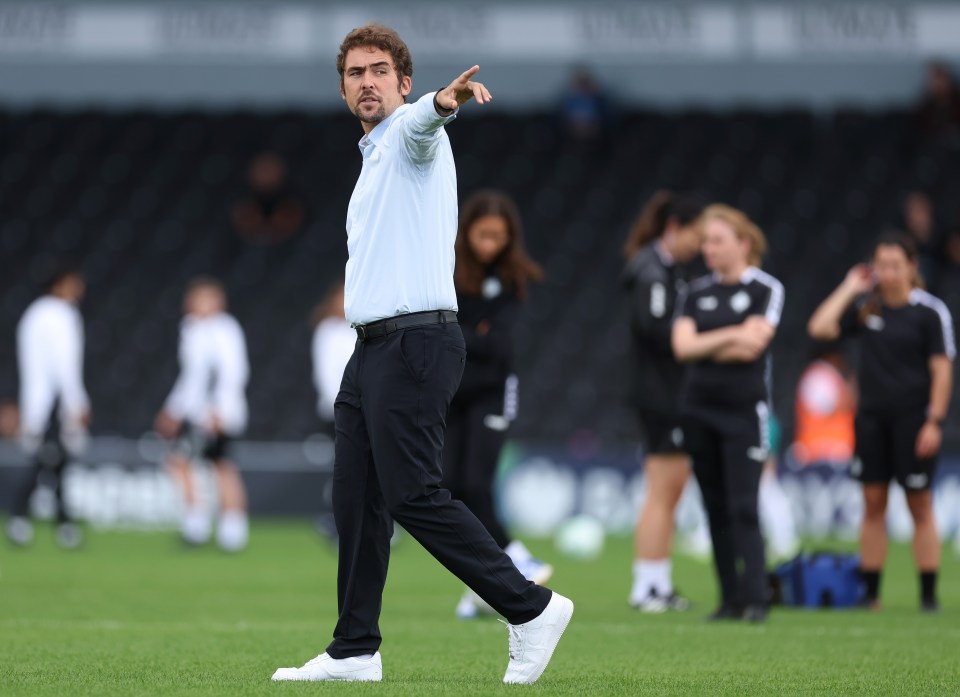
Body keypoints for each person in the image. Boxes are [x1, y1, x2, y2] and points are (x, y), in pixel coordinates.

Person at [271, 24, 571, 685]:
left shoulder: (410, 137)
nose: (368, 81)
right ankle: (355, 647)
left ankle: (531, 605)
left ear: (403, 83)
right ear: (344, 87)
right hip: (372, 346)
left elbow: (424, 123)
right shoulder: (372, 157)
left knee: (412, 493)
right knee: (357, 495)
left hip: (415, 340)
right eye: (355, 73)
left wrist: (443, 101)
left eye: (381, 70)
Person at [808, 233, 954, 612]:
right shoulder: (867, 309)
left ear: (911, 266)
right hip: (871, 421)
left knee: (919, 505)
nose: (887, 273)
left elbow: (941, 370)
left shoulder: (929, 312)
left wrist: (934, 421)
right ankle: (870, 594)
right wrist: (848, 287)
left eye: (894, 265)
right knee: (873, 504)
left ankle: (927, 595)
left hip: (913, 421)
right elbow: (820, 328)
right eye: (881, 266)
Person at [671, 204, 784, 623]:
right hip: (698, 410)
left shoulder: (765, 289)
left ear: (744, 243)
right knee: (714, 507)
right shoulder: (694, 292)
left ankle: (757, 598)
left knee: (743, 506)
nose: (708, 249)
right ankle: (729, 599)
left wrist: (709, 339)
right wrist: (736, 332)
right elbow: (683, 348)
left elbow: (755, 346)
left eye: (717, 240)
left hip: (743, 412)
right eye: (705, 241)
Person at [441, 189, 549, 621]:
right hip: (452, 392)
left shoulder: (512, 278)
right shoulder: (445, 269)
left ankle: (518, 560)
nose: (490, 244)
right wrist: (473, 332)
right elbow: (455, 331)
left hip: (493, 393)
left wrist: (461, 331)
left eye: (498, 236)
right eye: (483, 235)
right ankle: (488, 582)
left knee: (477, 483)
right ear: (465, 233)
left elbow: (498, 346)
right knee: (450, 486)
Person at [620, 190, 705, 612]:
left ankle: (658, 582)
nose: (701, 245)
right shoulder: (651, 270)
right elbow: (654, 329)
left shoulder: (666, 269)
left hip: (666, 393)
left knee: (670, 490)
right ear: (675, 228)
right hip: (659, 395)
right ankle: (646, 586)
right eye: (697, 234)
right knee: (662, 489)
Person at [154, 278, 250, 553]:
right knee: (197, 463)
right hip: (197, 415)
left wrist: (221, 410)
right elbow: (192, 378)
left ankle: (225, 530)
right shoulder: (192, 329)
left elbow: (232, 372)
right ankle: (207, 527)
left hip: (216, 414)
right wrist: (173, 410)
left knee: (218, 465)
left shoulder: (224, 329)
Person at [6, 267, 90, 549]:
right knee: (50, 462)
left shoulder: (34, 313)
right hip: (53, 404)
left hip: (39, 402)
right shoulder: (60, 315)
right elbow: (64, 366)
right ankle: (44, 521)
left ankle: (48, 523)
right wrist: (76, 402)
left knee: (52, 463)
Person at [310, 280, 356, 542]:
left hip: (362, 410)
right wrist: (341, 406)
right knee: (347, 466)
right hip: (339, 411)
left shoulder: (361, 329)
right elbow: (326, 375)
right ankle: (339, 519)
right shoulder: (327, 331)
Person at [230, 151, 305, 244]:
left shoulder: (293, 203)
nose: (266, 174)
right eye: (263, 170)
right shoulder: (242, 202)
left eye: (269, 170)